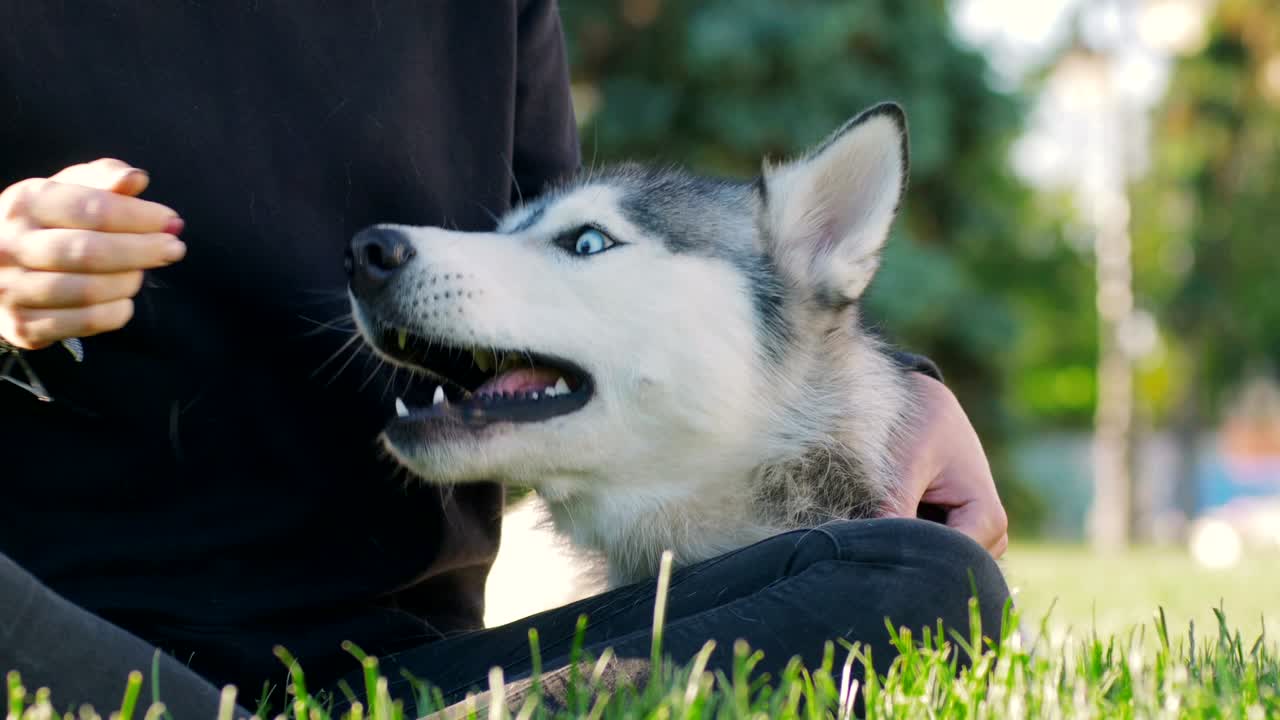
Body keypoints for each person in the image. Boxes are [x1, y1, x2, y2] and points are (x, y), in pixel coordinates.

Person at [0, 2, 1009, 716]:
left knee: (919, 578)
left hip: (407, 682)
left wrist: (869, 374)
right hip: (70, 651)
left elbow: (560, 299)